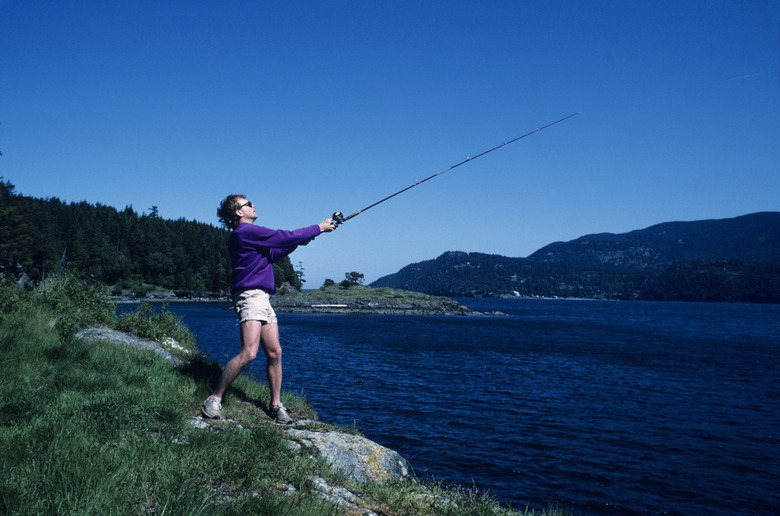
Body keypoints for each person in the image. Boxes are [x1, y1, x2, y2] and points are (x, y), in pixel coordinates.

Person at [201, 194, 336, 423]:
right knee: (249, 353)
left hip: (262, 297)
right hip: (249, 295)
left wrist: (303, 239)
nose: (253, 206)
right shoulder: (245, 232)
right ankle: (214, 398)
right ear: (238, 212)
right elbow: (282, 236)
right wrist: (318, 228)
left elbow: (275, 251)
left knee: (275, 353)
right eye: (248, 204)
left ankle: (275, 405)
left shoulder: (250, 237)